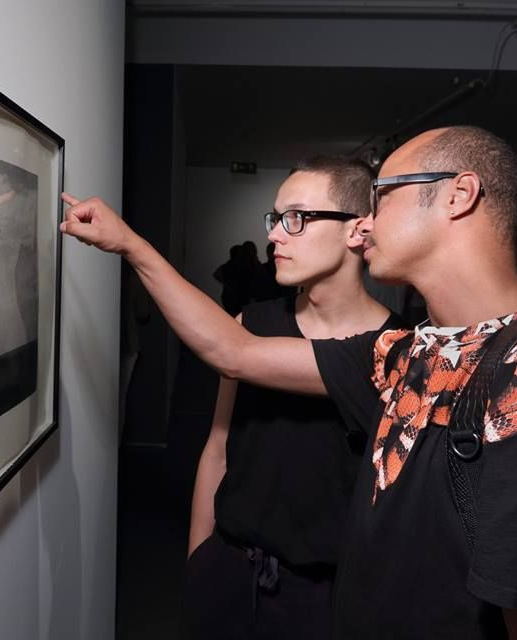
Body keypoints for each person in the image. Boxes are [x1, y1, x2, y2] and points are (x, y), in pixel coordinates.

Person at [60, 125, 517, 638]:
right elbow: (233, 350)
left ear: (458, 196)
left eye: (384, 195)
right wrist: (130, 245)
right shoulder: (407, 352)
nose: (367, 222)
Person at [185, 156, 403, 640]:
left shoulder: (398, 351)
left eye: (297, 218)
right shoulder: (253, 323)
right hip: (229, 577)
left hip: (327, 599)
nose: (274, 235)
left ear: (357, 231)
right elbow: (218, 448)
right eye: (276, 218)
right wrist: (199, 561)